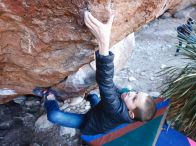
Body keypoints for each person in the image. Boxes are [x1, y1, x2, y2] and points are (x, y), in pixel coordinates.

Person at [33, 7, 156, 135]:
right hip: (101, 112)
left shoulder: (115, 109)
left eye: (134, 98)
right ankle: (89, 97)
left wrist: (104, 41)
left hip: (89, 123)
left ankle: (49, 96)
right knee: (93, 97)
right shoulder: (126, 106)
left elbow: (106, 83)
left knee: (53, 116)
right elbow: (111, 88)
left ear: (130, 113)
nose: (131, 92)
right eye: (136, 92)